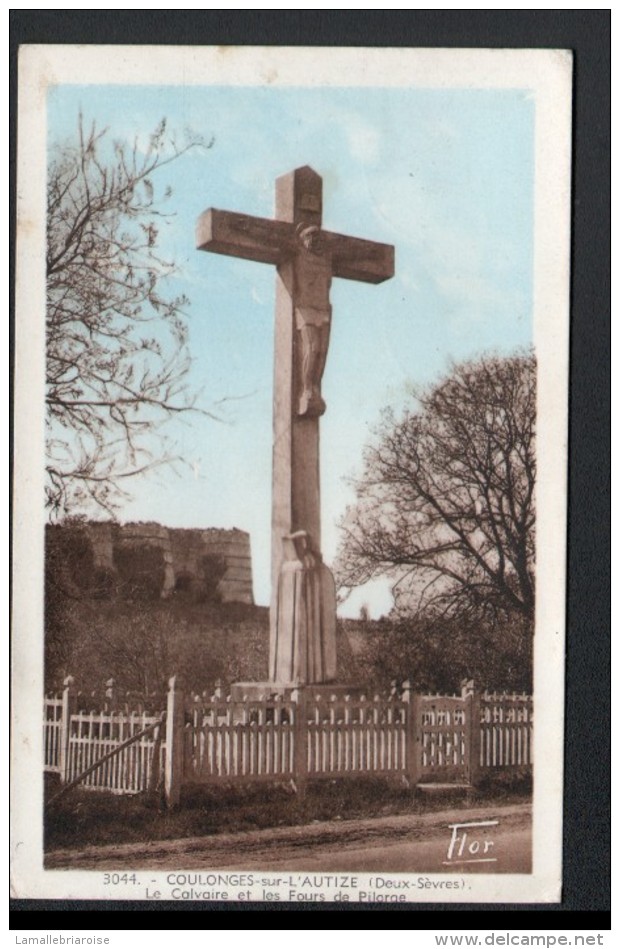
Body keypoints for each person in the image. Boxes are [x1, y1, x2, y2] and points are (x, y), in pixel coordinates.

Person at [293, 224, 332, 417]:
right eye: (310, 237)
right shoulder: (298, 257)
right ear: (303, 240)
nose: (315, 241)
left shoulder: (326, 262)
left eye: (318, 238)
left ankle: (315, 388)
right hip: (305, 308)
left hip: (323, 309)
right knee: (312, 347)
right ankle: (306, 389)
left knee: (322, 352)